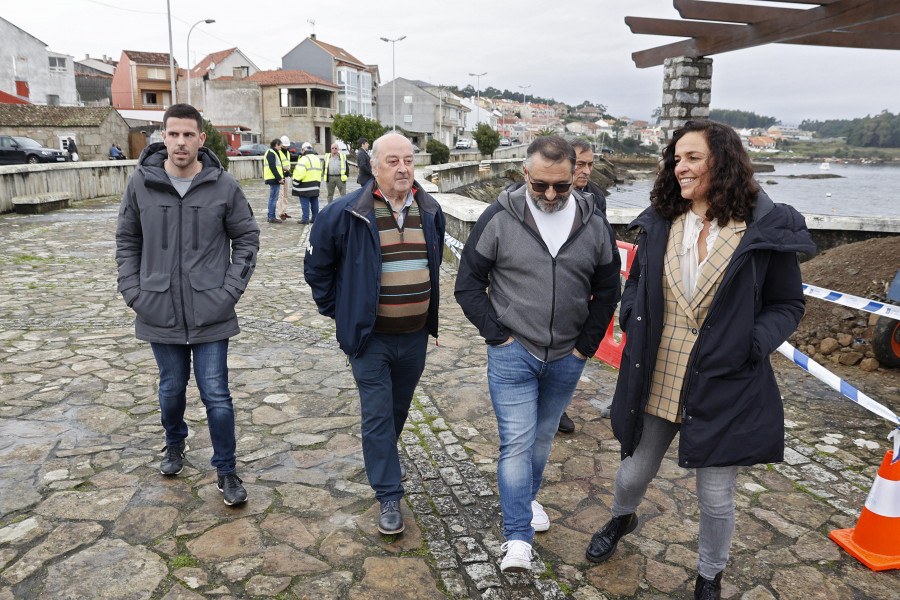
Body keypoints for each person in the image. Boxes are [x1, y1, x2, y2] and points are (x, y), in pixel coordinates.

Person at [584, 120, 814, 600]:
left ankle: (710, 576)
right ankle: (621, 519)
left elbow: (788, 305)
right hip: (659, 371)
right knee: (633, 471)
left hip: (725, 380)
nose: (679, 167)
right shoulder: (662, 219)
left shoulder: (765, 227)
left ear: (723, 162)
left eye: (692, 157)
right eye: (676, 158)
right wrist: (631, 313)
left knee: (715, 498)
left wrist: (751, 343)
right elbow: (637, 283)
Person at [454, 136, 621, 573]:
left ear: (576, 177)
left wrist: (587, 346)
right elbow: (467, 283)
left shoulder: (595, 225)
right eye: (540, 185)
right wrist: (497, 335)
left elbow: (608, 291)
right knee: (516, 444)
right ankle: (517, 538)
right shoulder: (499, 218)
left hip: (568, 355)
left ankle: (525, 500)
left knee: (542, 440)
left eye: (560, 186)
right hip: (514, 353)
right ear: (525, 174)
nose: (550, 195)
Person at [115, 103, 260, 506]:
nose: (180, 142)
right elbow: (127, 241)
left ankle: (227, 470)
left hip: (211, 310)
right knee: (171, 388)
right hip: (158, 308)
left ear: (201, 139)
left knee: (216, 393)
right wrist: (134, 292)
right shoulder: (141, 184)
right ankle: (174, 444)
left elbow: (247, 239)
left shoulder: (223, 186)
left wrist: (229, 292)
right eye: (173, 134)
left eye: (188, 135)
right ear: (163, 136)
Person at [304, 132, 445, 535]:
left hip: (415, 335)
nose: (403, 168)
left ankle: (381, 459)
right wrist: (341, 313)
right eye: (393, 161)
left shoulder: (431, 210)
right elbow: (317, 269)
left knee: (397, 410)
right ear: (374, 167)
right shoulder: (346, 212)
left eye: (409, 161)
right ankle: (388, 496)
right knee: (378, 414)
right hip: (370, 339)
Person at [557, 138, 611, 434]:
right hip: (555, 284)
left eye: (591, 164)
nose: (587, 170)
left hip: (584, 286)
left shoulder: (597, 197)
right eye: (580, 164)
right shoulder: (550, 196)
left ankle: (558, 406)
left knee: (574, 352)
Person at [292, 142, 324, 224]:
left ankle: (305, 219)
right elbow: (320, 171)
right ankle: (315, 218)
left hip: (304, 185)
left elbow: (300, 173)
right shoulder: (317, 159)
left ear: (303, 150)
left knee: (304, 202)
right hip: (315, 184)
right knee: (314, 201)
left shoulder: (303, 159)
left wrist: (295, 182)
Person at [263, 139, 286, 224]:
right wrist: (279, 178)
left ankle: (271, 216)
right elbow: (273, 167)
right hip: (273, 179)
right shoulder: (271, 153)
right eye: (280, 145)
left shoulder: (273, 152)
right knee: (273, 198)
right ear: (276, 145)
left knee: (273, 198)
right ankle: (271, 217)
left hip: (273, 178)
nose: (281, 147)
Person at [277, 135, 293, 220]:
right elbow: (277, 165)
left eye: (287, 146)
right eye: (284, 146)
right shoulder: (278, 153)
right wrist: (283, 169)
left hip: (287, 176)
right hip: (281, 176)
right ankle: (281, 213)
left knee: (286, 195)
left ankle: (284, 211)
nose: (286, 147)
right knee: (281, 195)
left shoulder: (287, 152)